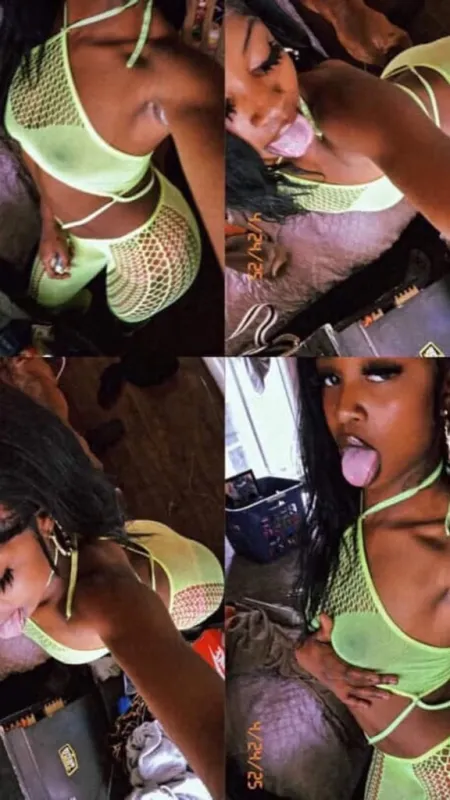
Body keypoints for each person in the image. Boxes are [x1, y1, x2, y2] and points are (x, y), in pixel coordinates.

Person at [0, 380, 224, 798]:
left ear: (44, 519)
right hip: (129, 539)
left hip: (191, 583)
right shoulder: (51, 510)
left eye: (2, 581)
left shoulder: (106, 599)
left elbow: (216, 737)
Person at [0, 0, 224, 324]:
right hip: (65, 227)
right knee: (43, 304)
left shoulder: (169, 71)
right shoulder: (37, 19)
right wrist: (49, 223)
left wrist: (252, 247)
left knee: (119, 322)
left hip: (149, 252)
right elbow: (33, 142)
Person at [293, 357, 450, 798]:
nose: (344, 408)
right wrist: (311, 656)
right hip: (386, 773)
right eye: (330, 378)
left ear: (443, 390)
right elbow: (317, 633)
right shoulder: (350, 509)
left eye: (381, 373)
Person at [225, 0, 450, 235]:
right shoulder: (248, 180)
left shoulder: (343, 106)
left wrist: (343, 10)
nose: (272, 107)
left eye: (266, 61)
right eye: (225, 110)